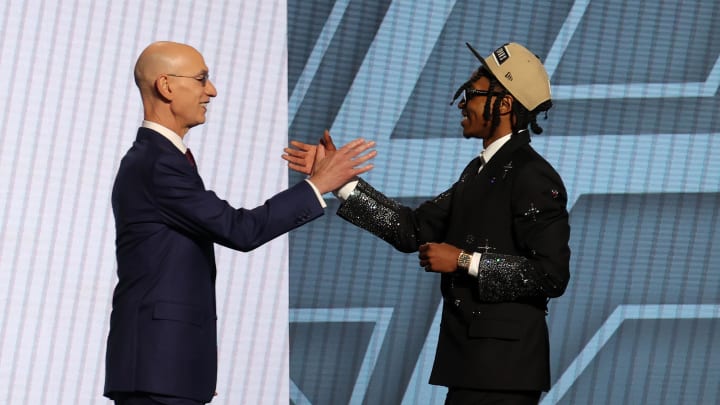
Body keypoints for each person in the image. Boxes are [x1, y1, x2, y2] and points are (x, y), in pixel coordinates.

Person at [284, 42, 571, 405]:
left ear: (505, 103)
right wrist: (337, 181)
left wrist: (465, 260)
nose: (463, 103)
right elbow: (413, 229)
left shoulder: (531, 176)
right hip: (476, 366)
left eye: (472, 93)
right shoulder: (481, 172)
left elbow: (551, 274)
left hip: (503, 372)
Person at [104, 41, 376, 405]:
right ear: (166, 86)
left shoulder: (159, 159)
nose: (211, 91)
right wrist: (319, 185)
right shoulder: (157, 164)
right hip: (157, 372)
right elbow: (241, 230)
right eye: (202, 79)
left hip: (167, 369)